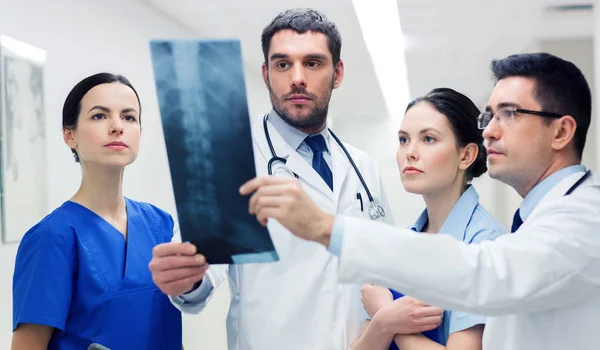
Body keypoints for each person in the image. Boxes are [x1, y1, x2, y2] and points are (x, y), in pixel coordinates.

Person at [240, 52, 600, 350]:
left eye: (509, 114)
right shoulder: (535, 222)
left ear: (562, 131)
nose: (489, 129)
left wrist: (326, 228)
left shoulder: (584, 220)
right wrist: (383, 322)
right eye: (489, 116)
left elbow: (483, 272)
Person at [149, 8, 393, 350]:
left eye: (312, 63)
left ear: (337, 73)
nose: (297, 78)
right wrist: (185, 279)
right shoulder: (233, 160)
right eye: (282, 64)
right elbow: (200, 282)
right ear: (265, 74)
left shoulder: (362, 167)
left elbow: (382, 267)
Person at [11, 73, 182, 350]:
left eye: (129, 117)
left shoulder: (160, 224)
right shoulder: (51, 238)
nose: (117, 127)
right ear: (70, 135)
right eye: (99, 116)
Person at [353, 88, 506, 350]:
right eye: (403, 140)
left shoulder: (484, 246)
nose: (410, 152)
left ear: (466, 155)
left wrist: (388, 320)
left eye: (428, 139)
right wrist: (383, 322)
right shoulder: (402, 243)